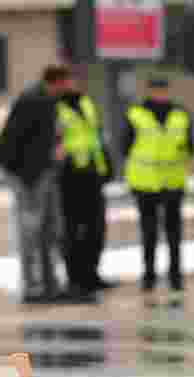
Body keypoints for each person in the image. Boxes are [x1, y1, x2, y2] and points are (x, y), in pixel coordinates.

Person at [0, 65, 69, 304]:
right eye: (65, 83)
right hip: (29, 177)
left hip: (43, 174)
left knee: (49, 231)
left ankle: (49, 283)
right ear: (56, 81)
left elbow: (43, 139)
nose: (68, 88)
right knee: (31, 232)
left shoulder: (48, 101)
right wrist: (25, 180)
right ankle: (32, 287)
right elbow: (15, 144)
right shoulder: (32, 101)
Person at [122, 76, 194, 293]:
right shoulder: (135, 114)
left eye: (163, 90)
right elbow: (125, 145)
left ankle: (175, 275)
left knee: (174, 232)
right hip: (145, 182)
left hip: (173, 181)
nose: (160, 94)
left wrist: (186, 158)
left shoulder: (181, 114)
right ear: (149, 91)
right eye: (156, 90)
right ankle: (149, 275)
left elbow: (190, 145)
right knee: (149, 232)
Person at [56, 72, 114, 300]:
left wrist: (106, 165)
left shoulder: (86, 103)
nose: (74, 84)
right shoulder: (56, 108)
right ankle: (75, 280)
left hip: (93, 175)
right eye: (69, 80)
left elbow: (97, 137)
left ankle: (91, 275)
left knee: (96, 229)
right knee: (72, 231)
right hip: (69, 177)